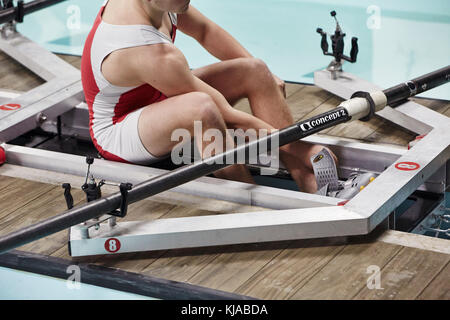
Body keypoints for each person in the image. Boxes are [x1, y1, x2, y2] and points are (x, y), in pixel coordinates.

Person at [81, 0, 337, 193]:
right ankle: (251, 200)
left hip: (156, 96)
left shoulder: (160, 3)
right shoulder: (146, 50)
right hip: (118, 132)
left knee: (256, 70)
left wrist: (267, 80)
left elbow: (206, 31)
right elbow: (230, 117)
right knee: (202, 108)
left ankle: (302, 175)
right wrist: (303, 148)